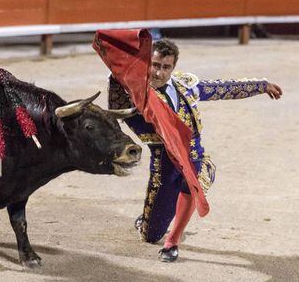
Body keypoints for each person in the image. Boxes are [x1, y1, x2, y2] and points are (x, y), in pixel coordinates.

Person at [108, 38, 283, 262]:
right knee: (150, 236)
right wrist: (115, 74)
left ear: (173, 67)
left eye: (165, 67)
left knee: (193, 183)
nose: (159, 72)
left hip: (195, 159)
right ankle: (147, 222)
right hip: (165, 167)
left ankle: (173, 242)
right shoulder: (136, 94)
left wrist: (260, 85)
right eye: (155, 65)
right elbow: (116, 107)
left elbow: (220, 89)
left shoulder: (185, 84)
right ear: (147, 63)